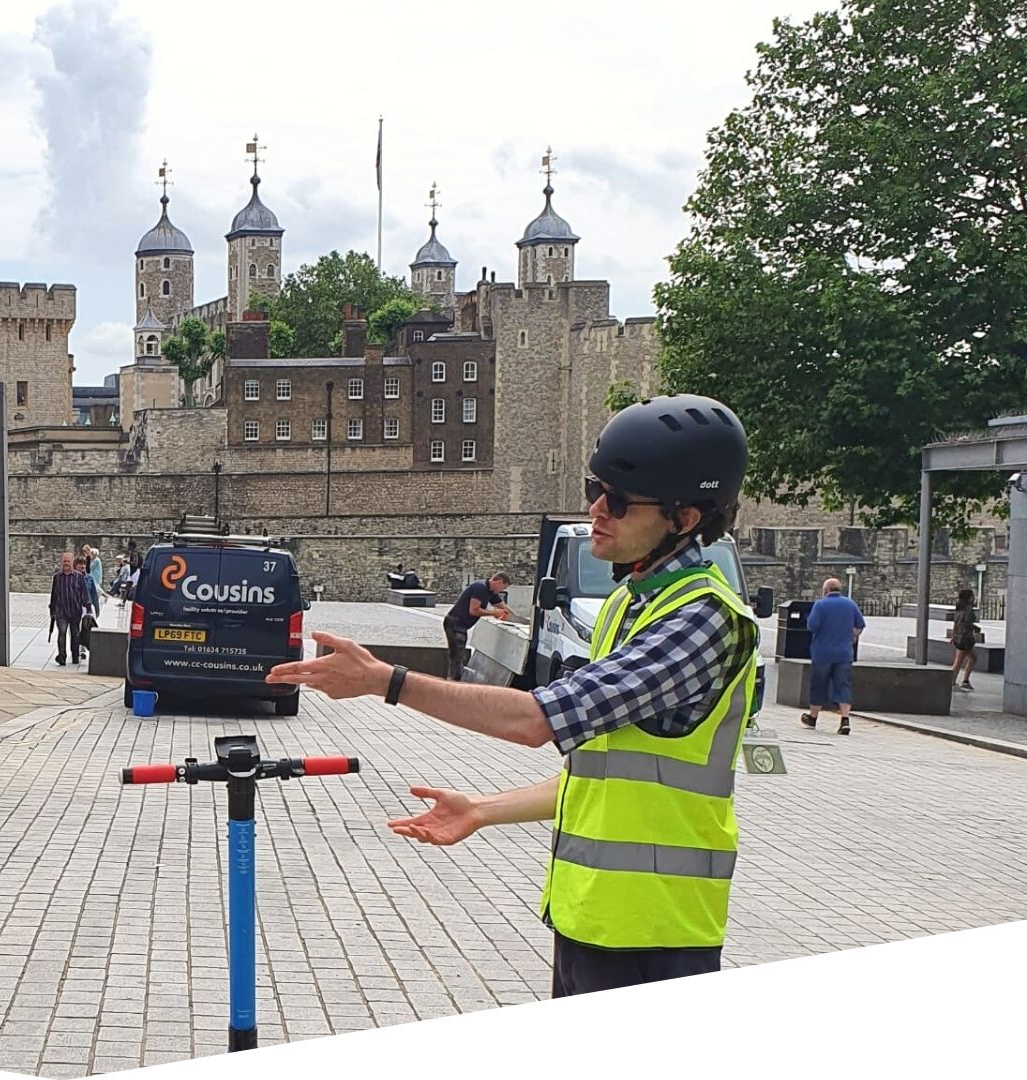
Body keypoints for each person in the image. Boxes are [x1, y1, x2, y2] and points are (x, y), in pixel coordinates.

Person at [269, 393, 759, 998]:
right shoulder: (627, 607)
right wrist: (484, 810)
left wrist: (385, 681)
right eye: (593, 489)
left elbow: (536, 720)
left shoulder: (702, 622)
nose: (597, 510)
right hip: (592, 922)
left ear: (686, 518)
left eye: (621, 501)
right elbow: (604, 781)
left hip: (655, 936)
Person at [802, 578, 865, 734]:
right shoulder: (850, 604)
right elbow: (860, 625)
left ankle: (813, 717)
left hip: (822, 652)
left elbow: (812, 626)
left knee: (819, 685)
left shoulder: (820, 604)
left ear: (825, 591)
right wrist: (852, 636)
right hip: (844, 653)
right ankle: (845, 719)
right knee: (843, 685)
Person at [441, 571, 513, 680]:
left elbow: (502, 607)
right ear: (498, 582)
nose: (502, 591)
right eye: (503, 587)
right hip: (455, 622)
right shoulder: (481, 588)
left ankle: (454, 680)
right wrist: (494, 613)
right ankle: (453, 682)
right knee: (457, 655)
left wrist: (514, 617)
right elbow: (473, 610)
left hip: (461, 624)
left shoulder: (491, 592)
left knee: (458, 654)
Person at [49, 551, 90, 666]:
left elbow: (84, 594)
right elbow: (54, 595)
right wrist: (52, 610)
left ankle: (75, 655)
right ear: (61, 562)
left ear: (72, 562)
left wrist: (88, 608)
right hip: (61, 611)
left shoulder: (78, 577)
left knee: (75, 634)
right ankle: (62, 656)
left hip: (75, 610)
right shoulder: (57, 577)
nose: (66, 563)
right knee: (62, 632)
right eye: (64, 561)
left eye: (68, 561)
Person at [949, 589, 981, 692]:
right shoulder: (968, 609)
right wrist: (975, 628)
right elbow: (967, 623)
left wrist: (953, 636)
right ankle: (952, 682)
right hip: (965, 639)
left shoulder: (959, 608)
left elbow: (956, 623)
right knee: (959, 662)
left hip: (960, 637)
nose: (974, 598)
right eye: (972, 596)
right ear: (969, 598)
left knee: (972, 658)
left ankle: (964, 681)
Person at [83, 545, 105, 616]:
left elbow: (89, 567)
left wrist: (88, 558)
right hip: (92, 577)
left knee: (96, 589)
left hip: (95, 577)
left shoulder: (96, 560)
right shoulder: (92, 559)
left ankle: (103, 594)